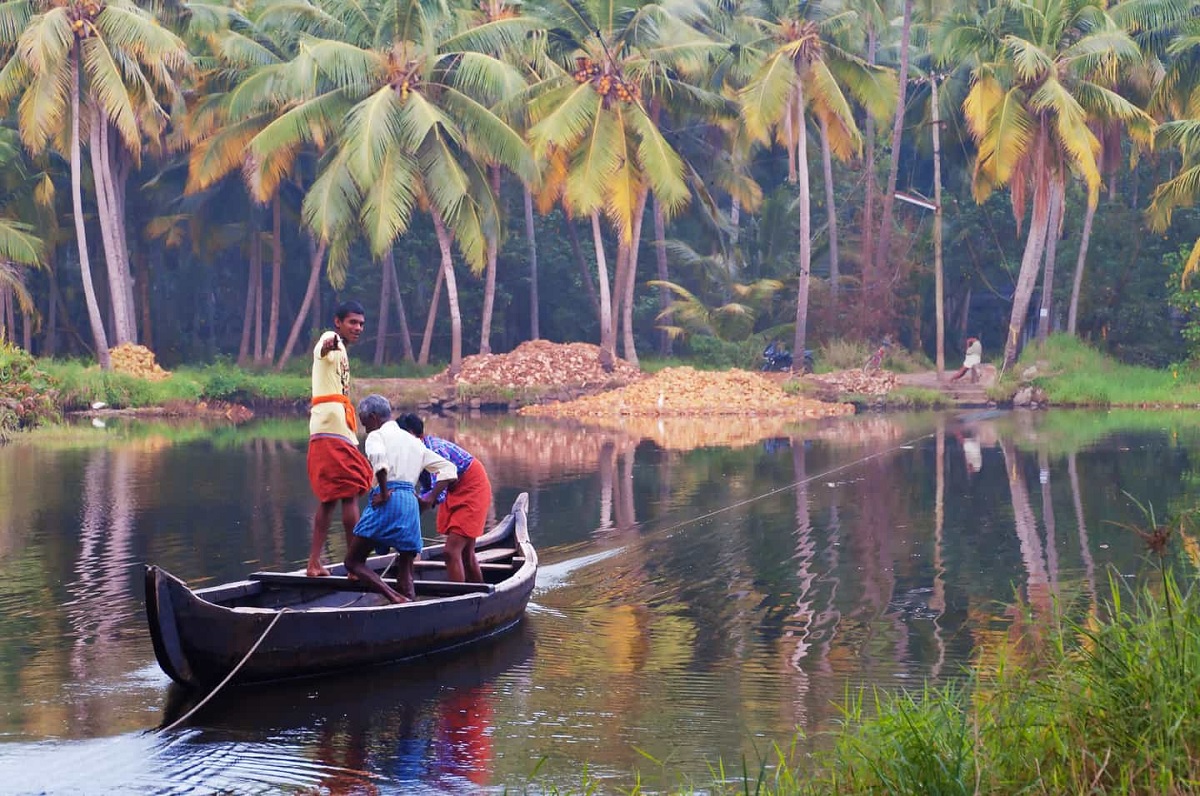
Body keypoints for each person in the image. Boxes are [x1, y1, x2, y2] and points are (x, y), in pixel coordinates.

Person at [344, 395, 458, 604]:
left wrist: (385, 492)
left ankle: (394, 597)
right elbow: (449, 470)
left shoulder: (376, 437)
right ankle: (409, 602)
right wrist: (429, 498)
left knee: (353, 562)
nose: (363, 426)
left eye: (364, 420)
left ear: (374, 417)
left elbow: (379, 464)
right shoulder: (414, 442)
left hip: (390, 499)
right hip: (410, 503)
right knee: (406, 570)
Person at [306, 300, 372, 577]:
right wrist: (329, 343)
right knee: (351, 491)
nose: (357, 328)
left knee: (331, 497)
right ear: (338, 322)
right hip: (333, 423)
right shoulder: (330, 339)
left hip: (329, 422)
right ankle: (354, 566)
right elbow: (323, 347)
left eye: (360, 324)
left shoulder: (341, 349)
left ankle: (314, 564)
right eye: (352, 322)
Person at [396, 414, 492, 584]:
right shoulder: (413, 454)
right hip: (453, 488)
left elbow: (436, 494)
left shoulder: (433, 450)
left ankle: (460, 599)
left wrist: (419, 505)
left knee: (451, 551)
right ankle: (479, 592)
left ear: (415, 435)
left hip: (472, 485)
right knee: (466, 552)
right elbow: (428, 487)